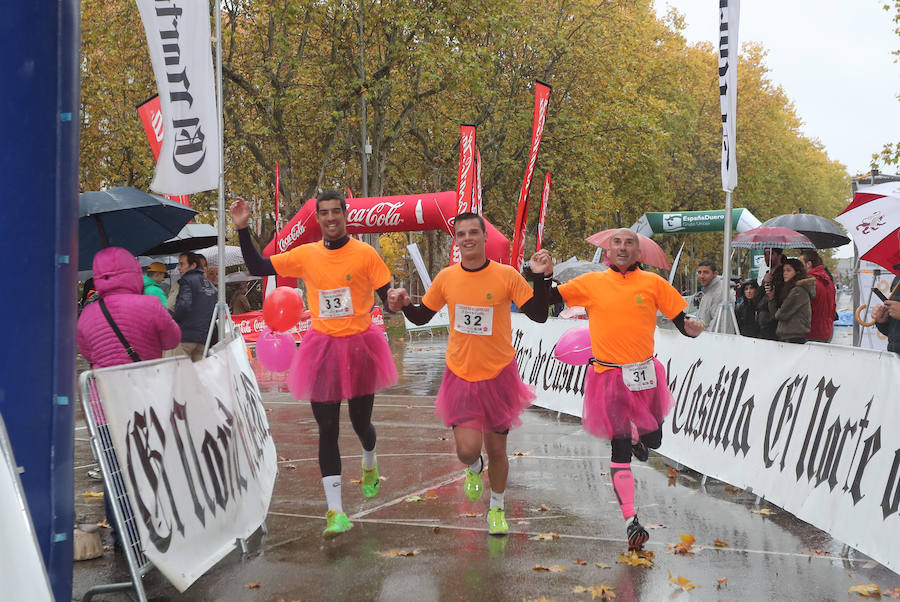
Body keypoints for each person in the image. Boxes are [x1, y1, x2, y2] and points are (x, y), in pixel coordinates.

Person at [231, 190, 397, 539]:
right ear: (318, 218)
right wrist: (244, 229)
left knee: (360, 422)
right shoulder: (306, 254)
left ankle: (370, 458)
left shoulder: (366, 254)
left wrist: (397, 301)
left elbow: (388, 295)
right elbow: (258, 267)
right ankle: (335, 512)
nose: (331, 218)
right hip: (322, 348)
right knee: (328, 429)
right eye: (324, 213)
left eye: (337, 211)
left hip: (359, 347)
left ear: (345, 214)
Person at [388, 212, 552, 536]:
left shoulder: (505, 276)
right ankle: (474, 468)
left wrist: (543, 278)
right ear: (456, 240)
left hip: (498, 375)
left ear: (484, 237)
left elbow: (539, 315)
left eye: (472, 233)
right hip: (460, 375)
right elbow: (422, 316)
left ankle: (497, 509)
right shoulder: (447, 278)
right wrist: (405, 304)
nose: (466, 239)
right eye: (460, 234)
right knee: (467, 450)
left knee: (497, 451)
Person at [546, 229, 704, 550]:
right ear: (608, 249)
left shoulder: (654, 284)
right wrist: (542, 276)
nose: (622, 247)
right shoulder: (591, 283)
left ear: (638, 251)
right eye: (616, 242)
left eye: (628, 242)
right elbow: (548, 298)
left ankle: (639, 438)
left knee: (654, 439)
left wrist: (692, 328)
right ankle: (631, 522)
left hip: (646, 376)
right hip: (609, 378)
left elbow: (680, 320)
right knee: (618, 452)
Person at [77, 247, 181, 547]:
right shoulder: (149, 305)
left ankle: (125, 540)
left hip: (103, 406)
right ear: (134, 272)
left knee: (115, 475)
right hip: (147, 402)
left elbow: (88, 352)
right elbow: (173, 338)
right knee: (154, 465)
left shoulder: (88, 313)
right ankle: (161, 533)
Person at [173, 251, 217, 361]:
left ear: (193, 265)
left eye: (182, 264)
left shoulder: (187, 280)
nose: (179, 268)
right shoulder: (211, 286)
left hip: (185, 336)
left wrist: (173, 320)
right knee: (198, 375)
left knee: (181, 375)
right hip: (203, 339)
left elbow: (183, 305)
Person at [764, 258, 814, 344]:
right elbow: (776, 314)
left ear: (797, 272)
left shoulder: (798, 291)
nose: (785, 273)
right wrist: (772, 297)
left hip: (793, 337)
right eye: (784, 271)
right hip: (788, 336)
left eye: (788, 270)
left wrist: (776, 307)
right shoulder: (790, 289)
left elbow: (781, 315)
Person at [799, 249, 836, 343]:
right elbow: (833, 306)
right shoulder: (828, 281)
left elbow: (803, 310)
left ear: (808, 264)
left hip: (812, 332)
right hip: (827, 330)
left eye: (800, 263)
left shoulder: (809, 282)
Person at [758, 248, 785, 339]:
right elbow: (758, 298)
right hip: (763, 323)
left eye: (771, 254)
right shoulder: (767, 274)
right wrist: (763, 283)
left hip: (774, 322)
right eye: (765, 254)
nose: (767, 257)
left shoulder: (783, 275)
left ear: (779, 256)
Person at [694, 260, 729, 330]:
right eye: (699, 272)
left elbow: (718, 325)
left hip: (715, 339)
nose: (702, 276)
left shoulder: (719, 292)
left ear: (715, 274)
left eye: (706, 272)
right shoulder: (708, 291)